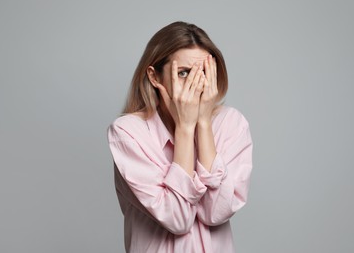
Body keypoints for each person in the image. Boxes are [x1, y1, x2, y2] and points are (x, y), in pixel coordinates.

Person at [107, 21, 253, 253]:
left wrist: (203, 123)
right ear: (155, 77)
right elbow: (178, 219)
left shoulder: (231, 124)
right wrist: (185, 129)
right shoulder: (128, 133)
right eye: (184, 73)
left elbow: (216, 213)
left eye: (204, 73)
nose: (196, 85)